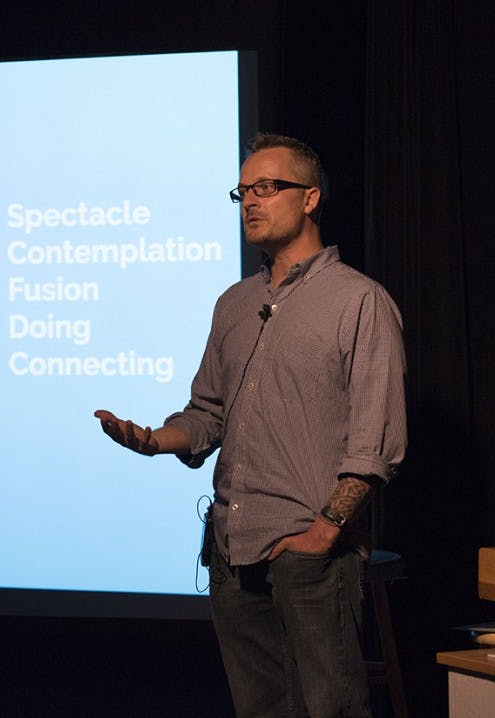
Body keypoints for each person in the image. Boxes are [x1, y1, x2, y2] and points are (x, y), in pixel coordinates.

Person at [94, 134, 407, 717]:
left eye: (268, 187)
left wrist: (322, 535)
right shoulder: (234, 304)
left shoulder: (358, 301)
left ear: (310, 199)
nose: (251, 201)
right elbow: (207, 414)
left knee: (331, 710)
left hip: (308, 555)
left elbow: (376, 443)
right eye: (244, 191)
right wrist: (151, 441)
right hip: (231, 552)